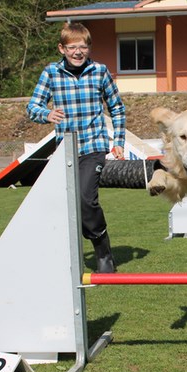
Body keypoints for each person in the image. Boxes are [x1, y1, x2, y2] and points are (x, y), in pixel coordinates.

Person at [27, 22, 125, 273]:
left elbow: (117, 107)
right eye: (72, 47)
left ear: (89, 48)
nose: (78, 52)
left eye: (83, 47)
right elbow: (32, 107)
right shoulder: (51, 73)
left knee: (85, 198)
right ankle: (61, 255)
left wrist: (119, 143)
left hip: (94, 146)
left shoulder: (100, 71)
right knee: (64, 206)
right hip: (65, 150)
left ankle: (102, 250)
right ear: (62, 48)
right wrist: (46, 114)